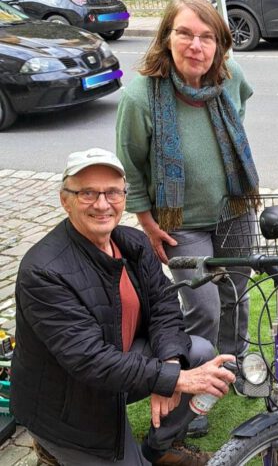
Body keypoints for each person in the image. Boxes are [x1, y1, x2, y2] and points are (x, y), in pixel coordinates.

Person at [11, 148, 236, 466]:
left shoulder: (133, 242)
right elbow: (89, 360)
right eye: (87, 193)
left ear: (124, 197)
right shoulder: (43, 270)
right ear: (65, 200)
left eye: (112, 192)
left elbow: (164, 303)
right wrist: (170, 379)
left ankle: (160, 447)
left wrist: (170, 367)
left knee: (197, 352)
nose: (102, 204)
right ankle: (52, 452)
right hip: (68, 404)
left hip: (120, 368)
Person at [115, 0, 259, 433]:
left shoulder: (231, 78)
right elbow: (131, 165)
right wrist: (147, 222)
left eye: (207, 36)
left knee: (238, 293)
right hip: (182, 223)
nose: (196, 45)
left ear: (219, 44)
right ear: (166, 38)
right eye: (185, 33)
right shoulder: (141, 95)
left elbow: (240, 114)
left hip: (234, 210)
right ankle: (198, 383)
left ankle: (231, 368)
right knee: (205, 307)